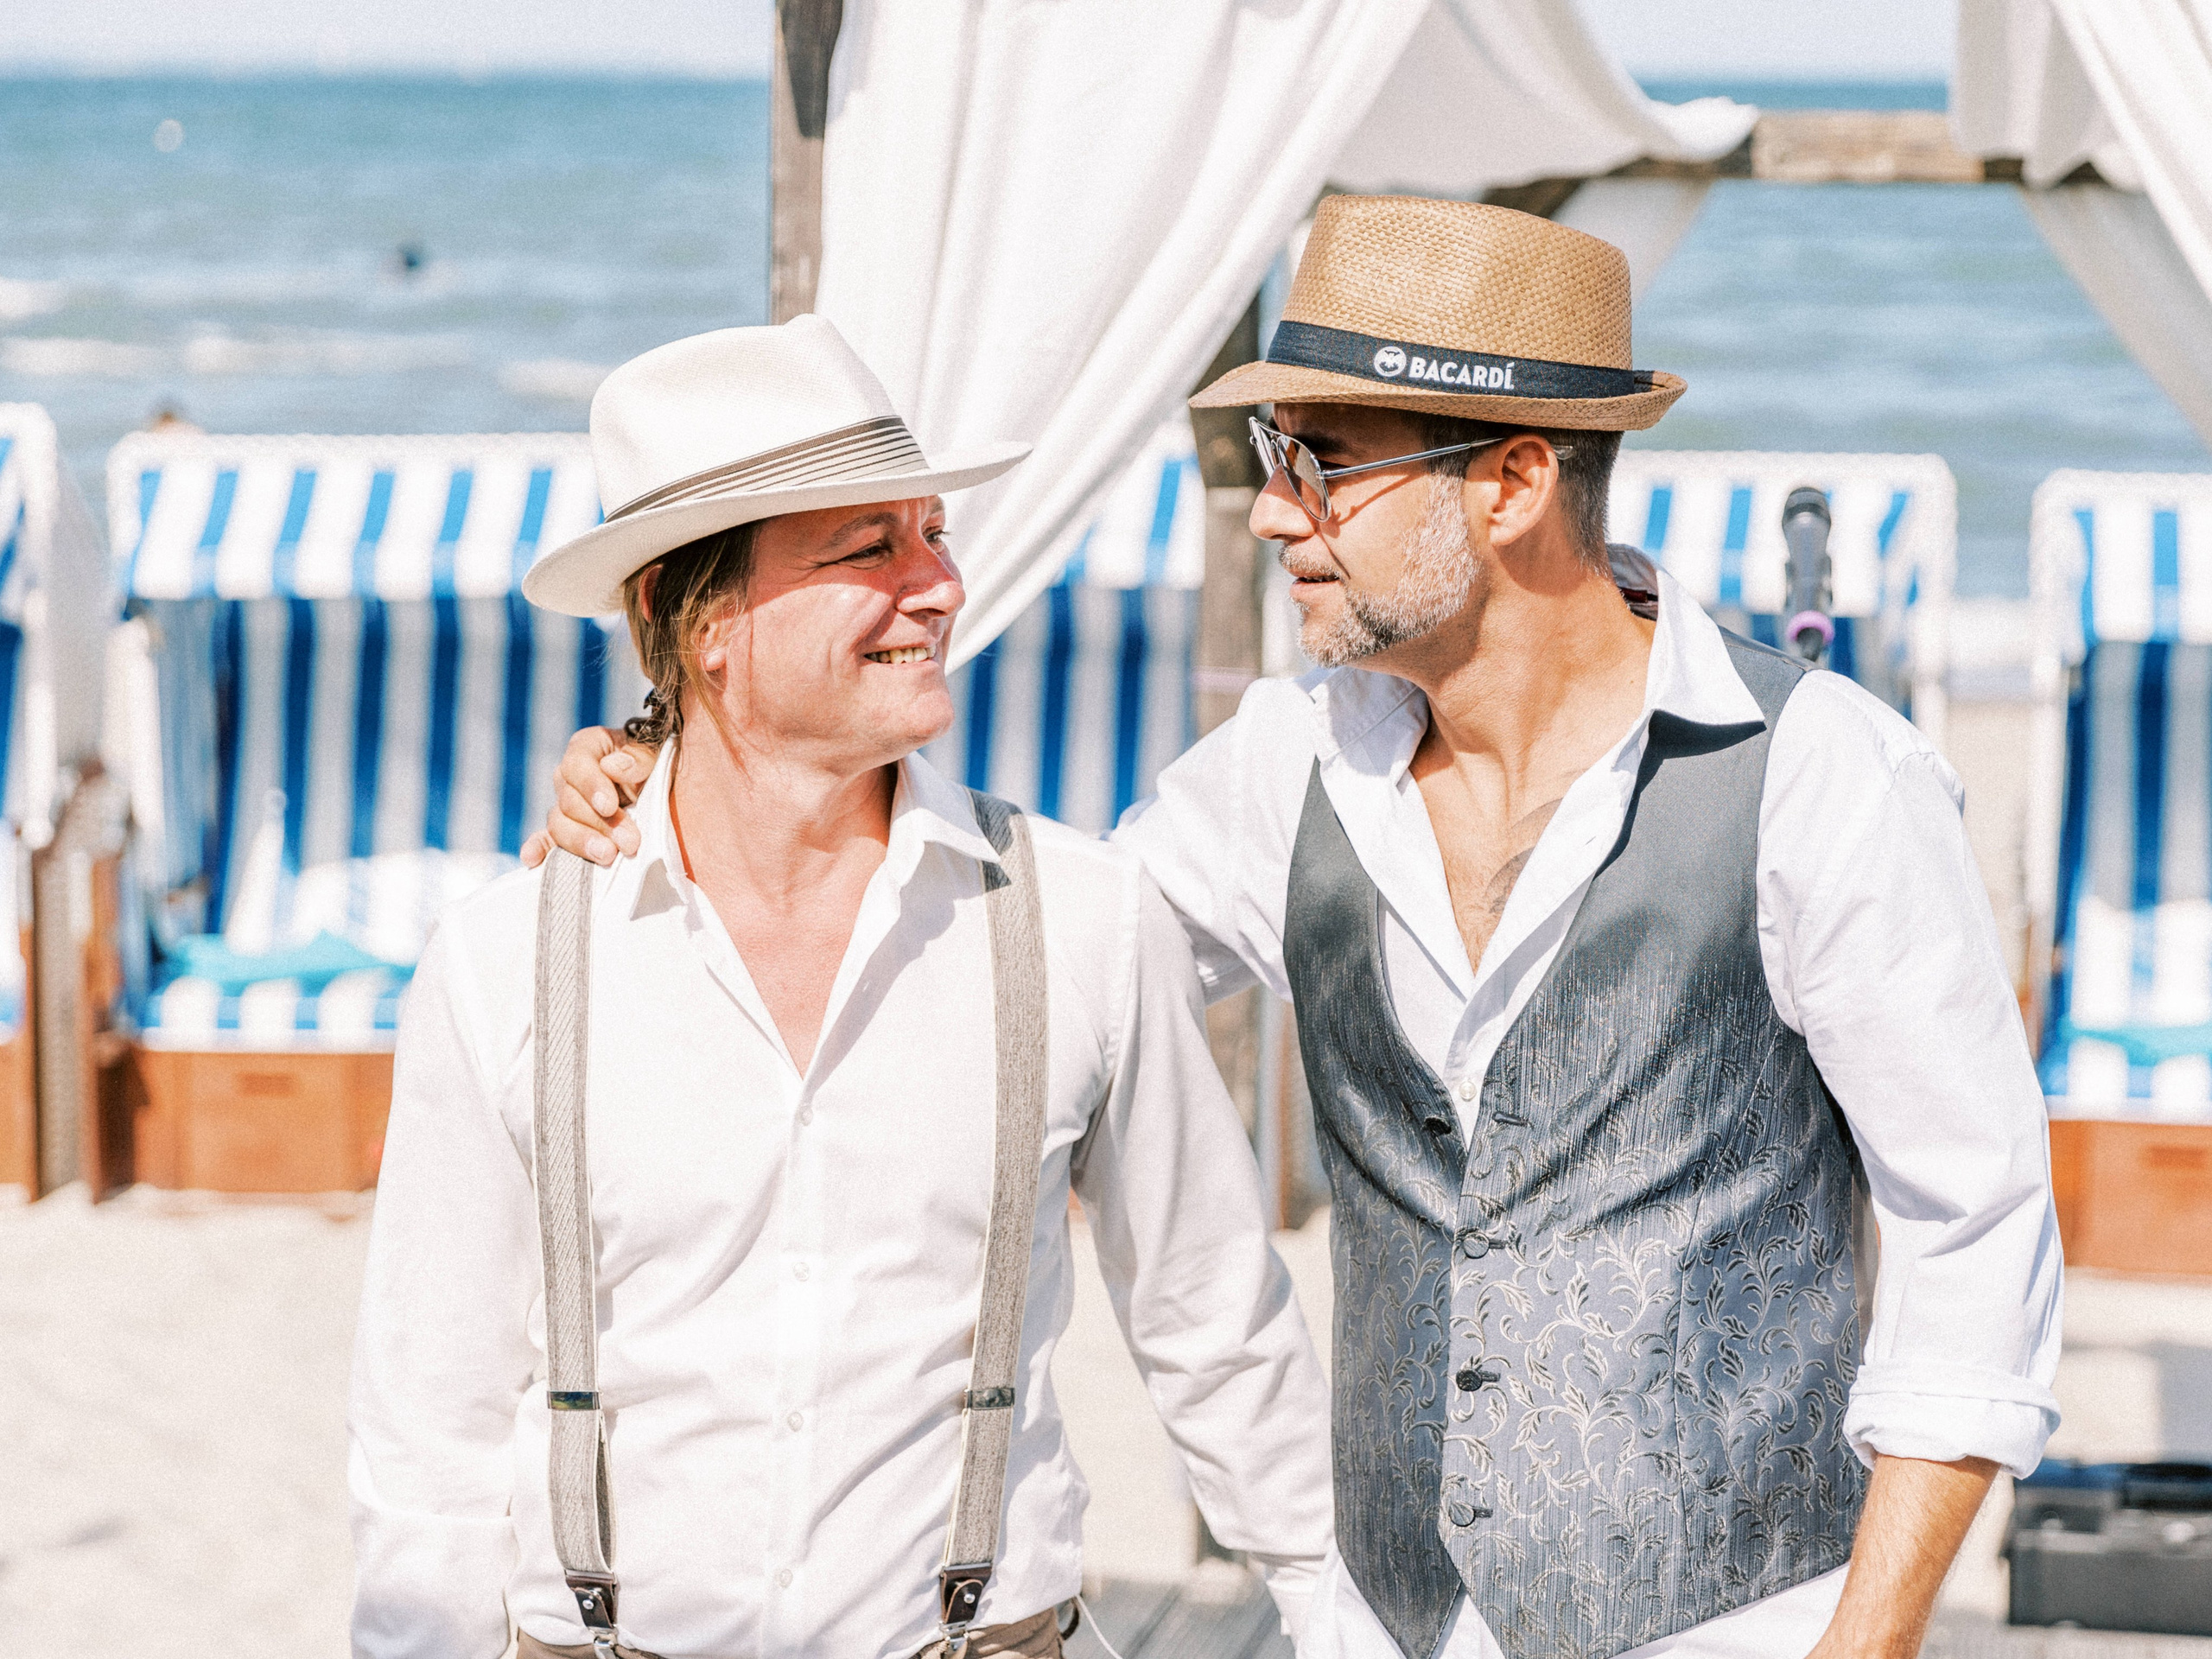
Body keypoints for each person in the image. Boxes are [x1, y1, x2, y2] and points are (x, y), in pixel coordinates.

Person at [532, 198, 2063, 1659]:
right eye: (1275, 452)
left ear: (1514, 481)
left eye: (1323, 460)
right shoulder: (1290, 766)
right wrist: (674, 760)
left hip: (1745, 1625)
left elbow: (1976, 1232)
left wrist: (1871, 1636)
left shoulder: (1820, 775)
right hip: (1391, 1627)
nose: (1273, 510)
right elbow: (1019, 955)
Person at [349, 316, 1334, 1659]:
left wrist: (1347, 1621)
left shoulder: (1084, 918)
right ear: (693, 618)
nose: (938, 585)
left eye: (933, 533)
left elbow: (1218, 1331)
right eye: (870, 548)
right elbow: (431, 1434)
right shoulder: (506, 960)